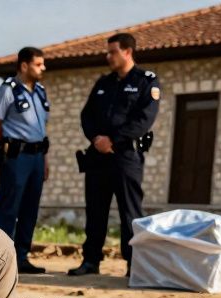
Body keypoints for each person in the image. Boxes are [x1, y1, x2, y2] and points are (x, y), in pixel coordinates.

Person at [68, 32, 160, 278]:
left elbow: (144, 120)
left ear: (127, 52)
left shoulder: (146, 82)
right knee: (95, 211)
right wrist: (96, 139)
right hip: (98, 157)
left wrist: (114, 140)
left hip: (126, 157)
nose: (108, 56)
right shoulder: (103, 83)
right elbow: (86, 116)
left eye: (112, 52)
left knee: (130, 213)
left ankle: (134, 264)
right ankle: (90, 261)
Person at [0, 46, 50, 275]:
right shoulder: (7, 90)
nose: (42, 68)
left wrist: (45, 159)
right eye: (38, 64)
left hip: (37, 156)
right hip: (16, 156)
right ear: (24, 65)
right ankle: (0, 260)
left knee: (30, 208)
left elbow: (43, 128)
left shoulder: (41, 92)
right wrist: (5, 144)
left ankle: (22, 257)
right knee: (9, 207)